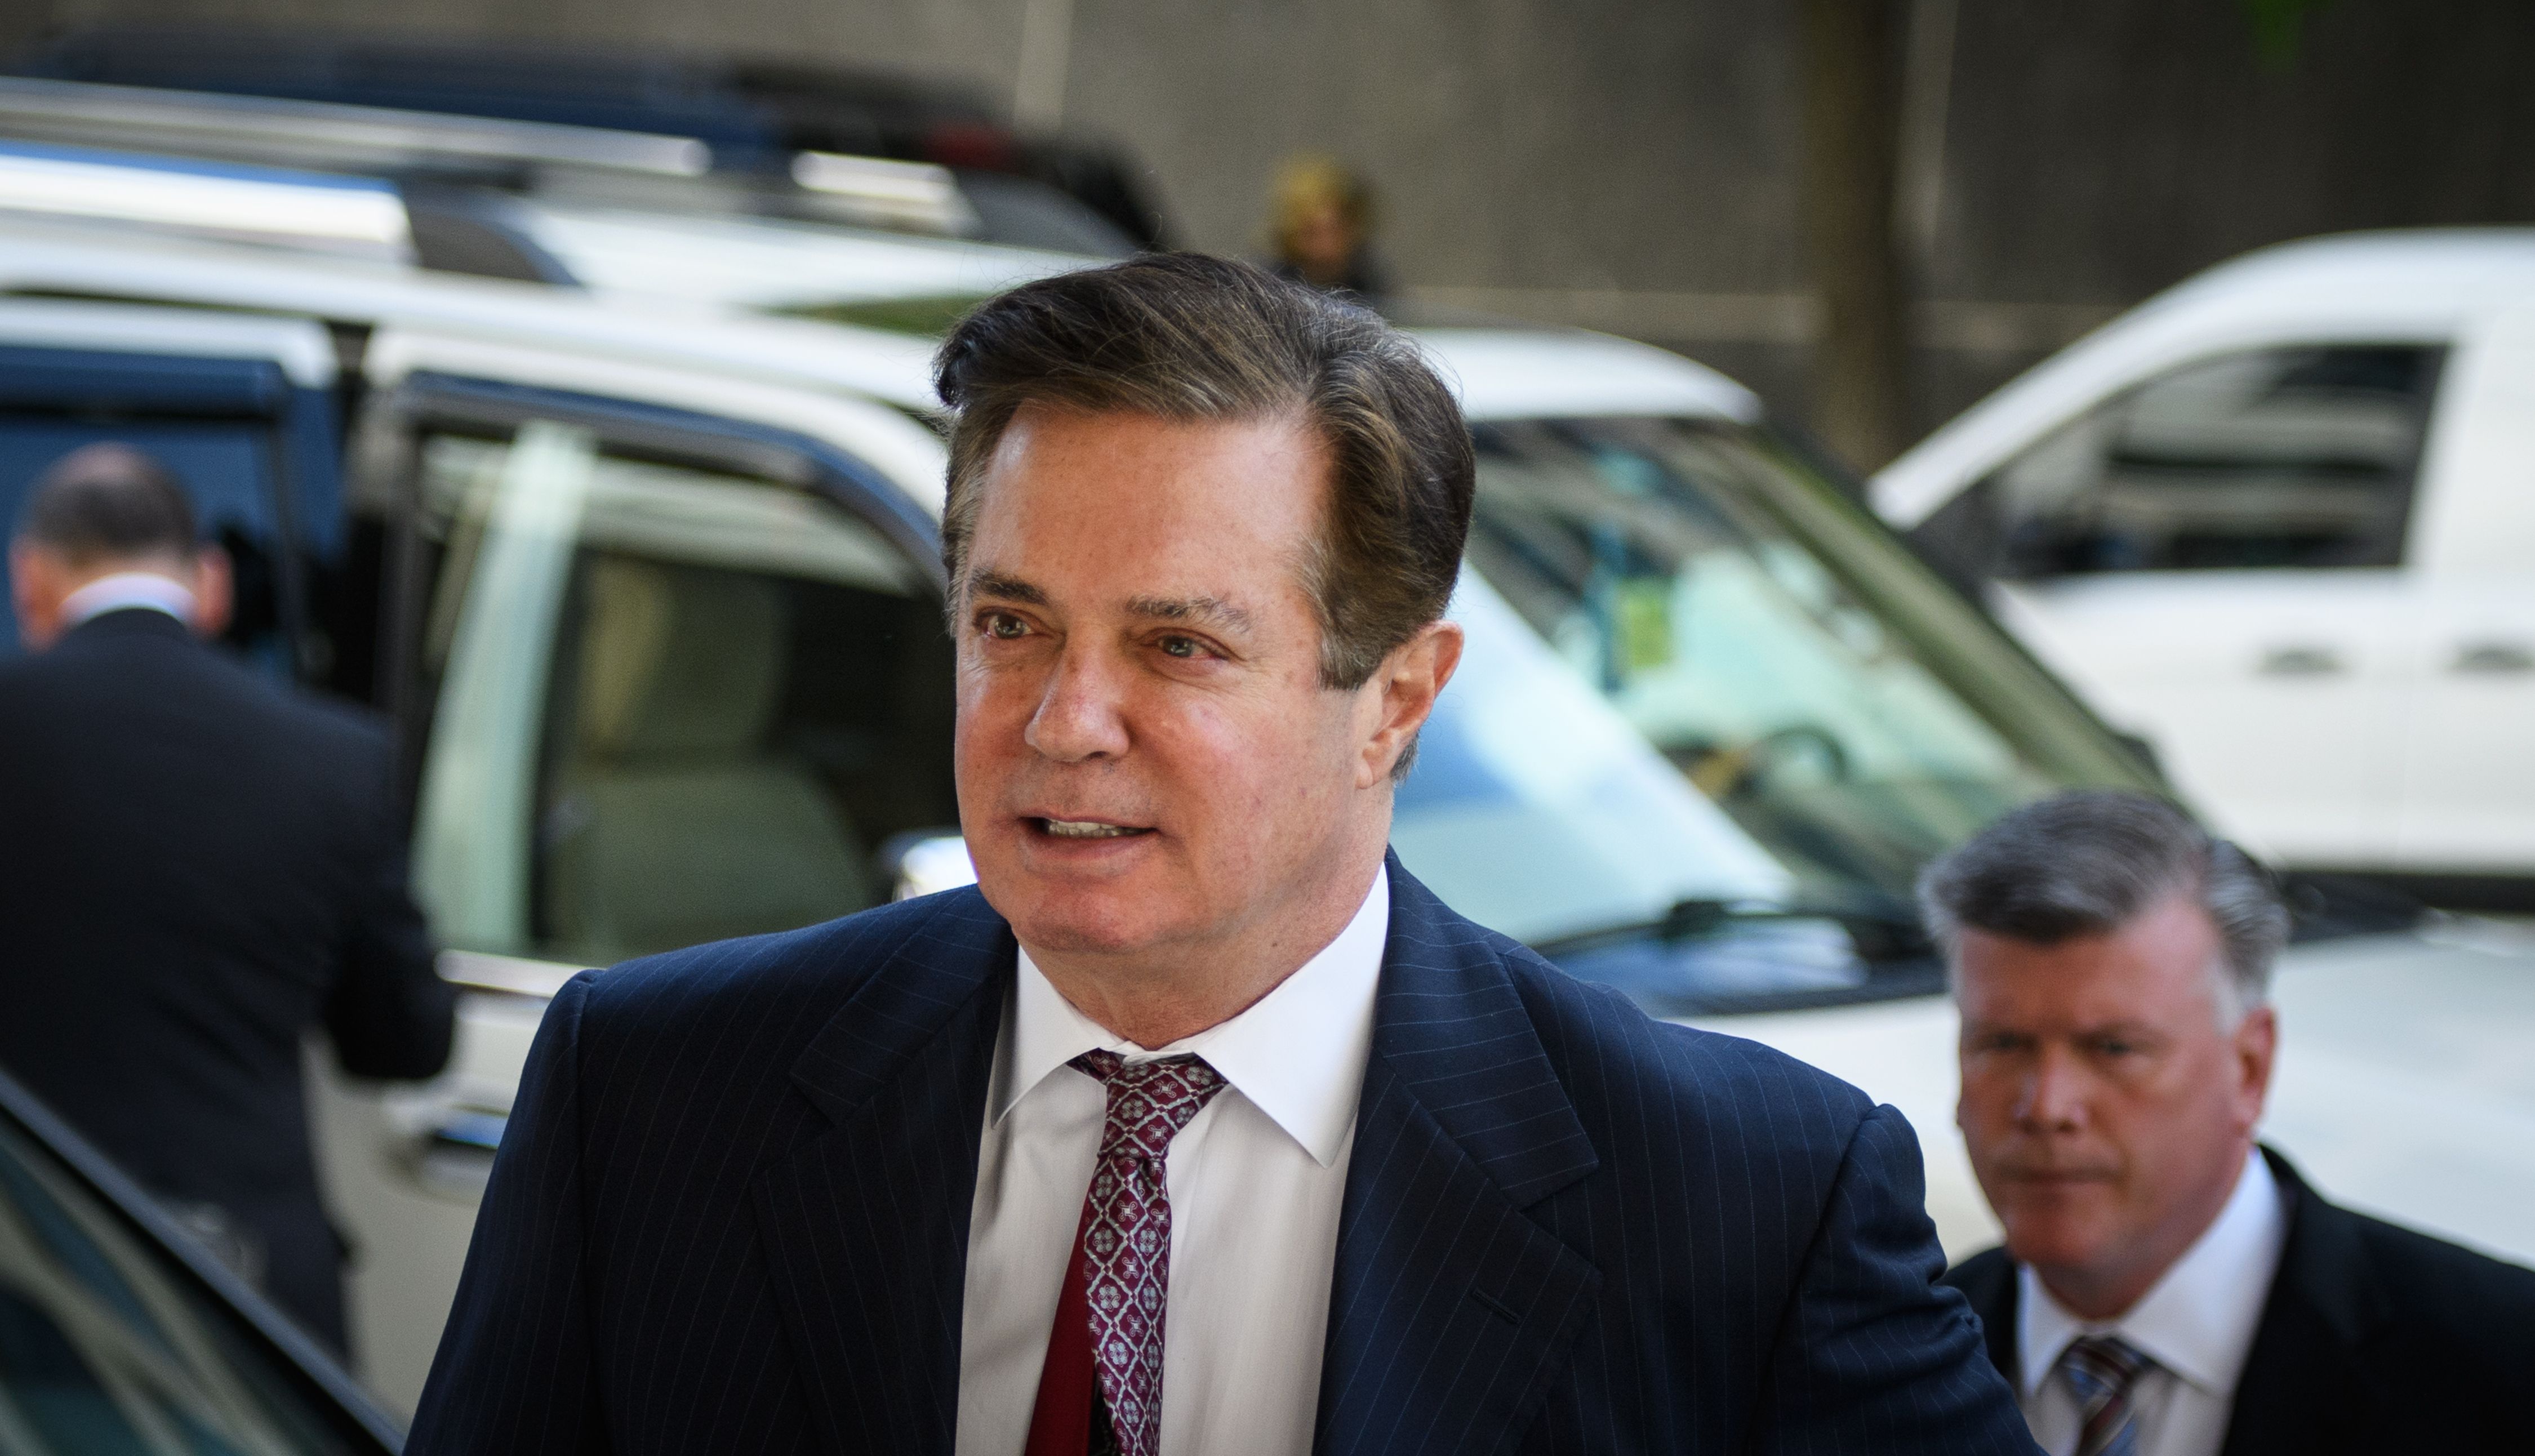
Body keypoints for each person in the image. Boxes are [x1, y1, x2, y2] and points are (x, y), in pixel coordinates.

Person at [410, 253, 2033, 1456]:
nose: (1064, 722)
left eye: (1178, 647)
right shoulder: (652, 1096)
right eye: (1010, 624)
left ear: (1395, 701)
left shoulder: (1746, 1205)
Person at [0, 444, 456, 1353]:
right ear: (210, 583)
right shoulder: (337, 760)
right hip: (248, 1313)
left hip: (23, 1286)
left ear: (30, 580)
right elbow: (404, 1038)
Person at [1924, 791, 2535, 1456]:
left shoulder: (2498, 1358)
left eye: (2114, 1049)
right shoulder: (1897, 1351)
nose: (2046, 1108)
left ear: (2250, 1065)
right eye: (2002, 1045)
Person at [1266, 155, 1391, 301]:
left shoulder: (1369, 281)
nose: (1325, 244)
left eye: (1336, 230)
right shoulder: (1268, 287)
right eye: (1312, 232)